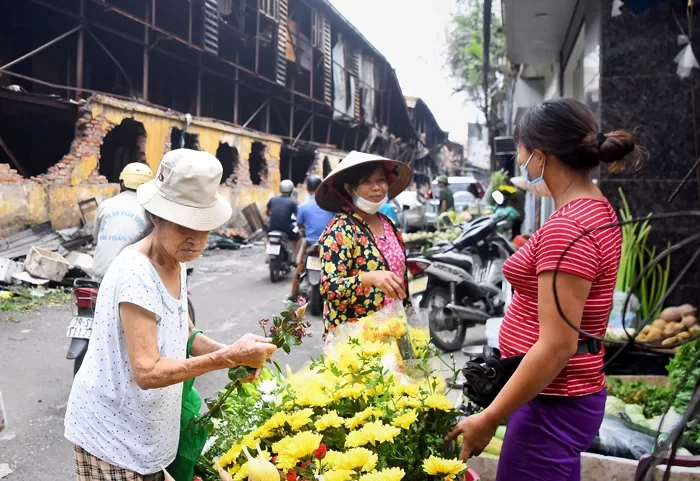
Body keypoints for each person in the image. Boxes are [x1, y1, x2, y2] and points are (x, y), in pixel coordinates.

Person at [446, 98, 644, 481]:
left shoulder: (569, 228)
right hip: (555, 395)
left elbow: (557, 345)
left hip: (552, 400)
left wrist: (488, 418)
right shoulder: (594, 209)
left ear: (539, 155)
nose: (520, 163)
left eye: (520, 152)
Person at [65, 149, 277, 481]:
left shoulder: (175, 262)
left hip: (145, 433)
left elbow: (187, 337)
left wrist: (233, 354)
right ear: (155, 217)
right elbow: (147, 371)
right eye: (183, 226)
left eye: (203, 227)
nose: (195, 239)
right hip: (113, 437)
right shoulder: (136, 272)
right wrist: (227, 358)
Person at [315, 151, 413, 339]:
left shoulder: (389, 223)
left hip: (394, 331)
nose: (376, 188)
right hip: (356, 341)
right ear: (350, 189)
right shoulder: (340, 230)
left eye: (381, 180)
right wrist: (369, 278)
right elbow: (330, 289)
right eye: (367, 181)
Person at [92, 162, 154, 282]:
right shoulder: (149, 211)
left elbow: (96, 237)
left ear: (122, 183)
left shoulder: (105, 205)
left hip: (99, 274)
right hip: (129, 278)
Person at [290, 175, 334, 299]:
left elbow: (299, 224)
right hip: (329, 243)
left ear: (308, 189)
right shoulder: (330, 204)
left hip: (311, 242)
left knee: (300, 264)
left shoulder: (303, 207)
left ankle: (293, 293)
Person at [265, 179, 299, 262]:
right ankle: (294, 258)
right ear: (291, 190)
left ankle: (268, 255)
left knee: (266, 236)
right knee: (298, 237)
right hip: (286, 229)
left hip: (272, 228)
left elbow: (267, 213)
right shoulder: (293, 202)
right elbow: (298, 217)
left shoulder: (273, 199)